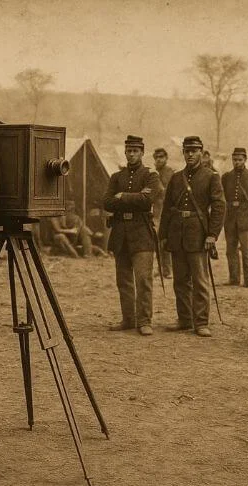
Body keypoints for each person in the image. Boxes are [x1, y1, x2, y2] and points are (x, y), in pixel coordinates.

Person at [159, 136, 225, 337]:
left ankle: (201, 322)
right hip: (177, 234)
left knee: (200, 280)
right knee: (180, 281)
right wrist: (163, 234)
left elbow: (219, 206)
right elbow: (168, 208)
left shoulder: (211, 176)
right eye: (187, 151)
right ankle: (185, 319)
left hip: (198, 234)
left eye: (194, 151)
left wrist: (212, 234)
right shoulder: (176, 177)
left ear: (201, 152)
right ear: (183, 152)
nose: (190, 154)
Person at [104, 135, 162, 336]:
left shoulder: (150, 176)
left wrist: (122, 197)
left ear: (142, 152)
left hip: (142, 234)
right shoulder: (116, 177)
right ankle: (128, 319)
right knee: (123, 280)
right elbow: (107, 202)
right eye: (128, 151)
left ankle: (144, 320)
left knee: (143, 279)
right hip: (121, 234)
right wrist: (130, 199)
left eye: (135, 151)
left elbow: (147, 200)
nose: (131, 154)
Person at [220, 147, 248, 288]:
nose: (236, 162)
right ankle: (234, 278)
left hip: (246, 219)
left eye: (240, 160)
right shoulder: (225, 177)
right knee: (230, 250)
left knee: (247, 250)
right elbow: (221, 198)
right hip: (230, 219)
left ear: (245, 160)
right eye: (234, 159)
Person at [152, 148, 175, 278]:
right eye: (156, 157)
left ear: (166, 158)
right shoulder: (154, 173)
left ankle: (168, 270)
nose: (159, 160)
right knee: (158, 241)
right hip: (156, 211)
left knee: (166, 241)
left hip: (168, 211)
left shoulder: (170, 173)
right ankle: (161, 269)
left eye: (161, 157)